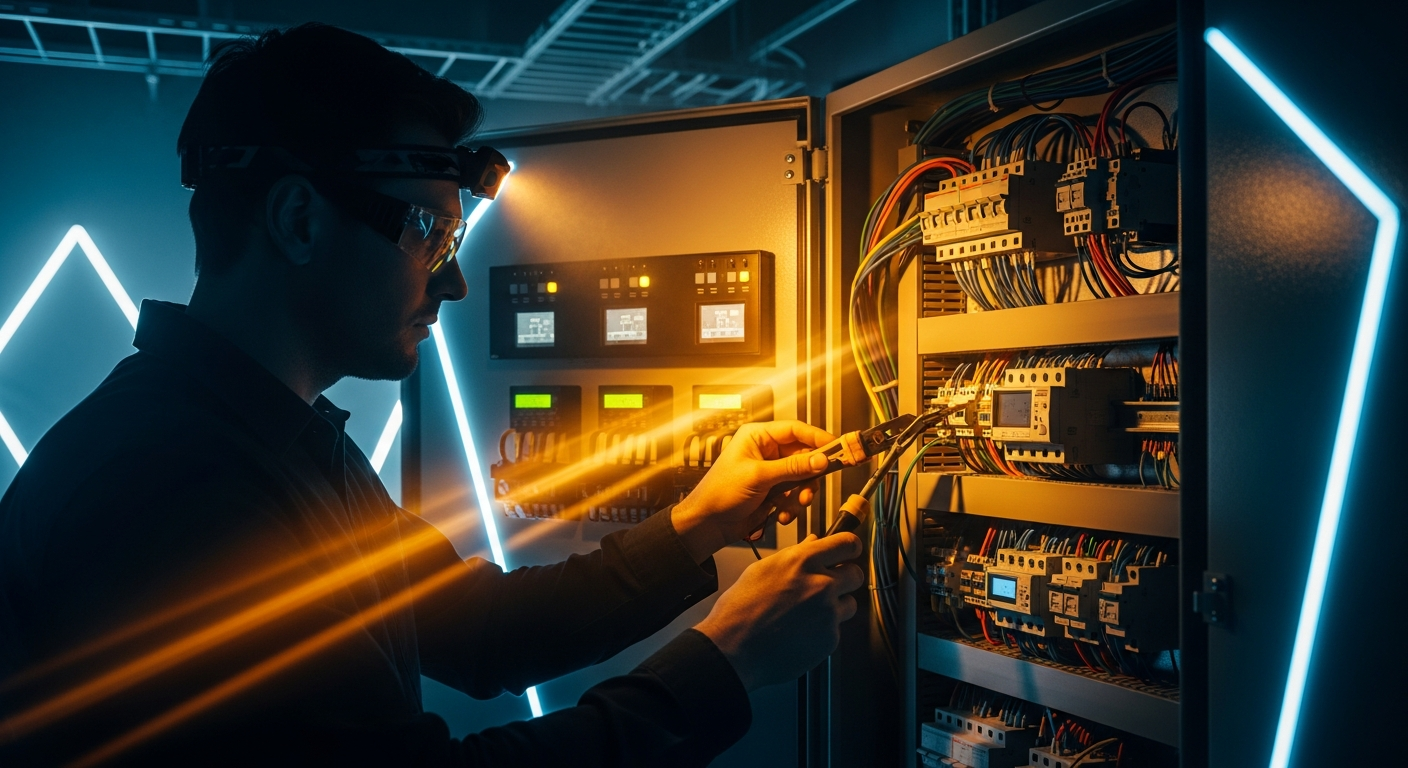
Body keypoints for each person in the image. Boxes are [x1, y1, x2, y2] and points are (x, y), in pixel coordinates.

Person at [0, 22, 864, 767]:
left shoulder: (276, 442)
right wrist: (725, 663)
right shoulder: (166, 485)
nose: (452, 285)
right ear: (299, 221)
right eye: (429, 233)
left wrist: (698, 525)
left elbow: (483, 630)